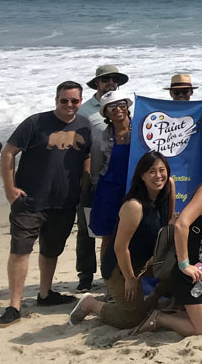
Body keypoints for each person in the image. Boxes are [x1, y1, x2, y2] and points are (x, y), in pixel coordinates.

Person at [0, 81, 94, 327]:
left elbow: (87, 157)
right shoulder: (35, 122)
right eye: (64, 100)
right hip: (29, 200)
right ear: (56, 100)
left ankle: (45, 294)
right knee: (20, 250)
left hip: (64, 202)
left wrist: (85, 187)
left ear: (80, 102)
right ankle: (14, 306)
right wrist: (9, 188)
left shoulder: (85, 125)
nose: (69, 105)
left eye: (74, 101)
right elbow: (8, 152)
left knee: (51, 250)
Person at [134, 145, 202, 337]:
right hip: (194, 270)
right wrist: (185, 264)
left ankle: (185, 311)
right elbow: (181, 224)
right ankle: (159, 317)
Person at [68, 152, 175, 329]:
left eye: (162, 170)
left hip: (145, 260)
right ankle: (91, 304)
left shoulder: (169, 186)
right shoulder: (134, 206)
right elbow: (120, 247)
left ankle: (153, 298)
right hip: (120, 267)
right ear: (141, 176)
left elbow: (167, 225)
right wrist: (130, 279)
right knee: (132, 320)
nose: (158, 176)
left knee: (181, 267)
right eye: (151, 171)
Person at [76, 64, 128, 291]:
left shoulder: (124, 106)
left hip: (125, 184)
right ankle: (86, 275)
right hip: (94, 179)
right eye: (105, 79)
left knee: (124, 231)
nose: (110, 83)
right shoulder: (84, 111)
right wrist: (88, 181)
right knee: (89, 229)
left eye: (114, 79)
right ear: (96, 83)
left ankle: (122, 275)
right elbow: (83, 147)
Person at [87, 91, 135, 250]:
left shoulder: (141, 131)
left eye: (121, 105)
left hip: (136, 188)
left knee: (136, 233)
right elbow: (96, 166)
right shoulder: (101, 136)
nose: (118, 109)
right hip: (109, 189)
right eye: (111, 107)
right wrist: (94, 186)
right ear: (106, 113)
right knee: (107, 235)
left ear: (127, 107)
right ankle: (107, 274)